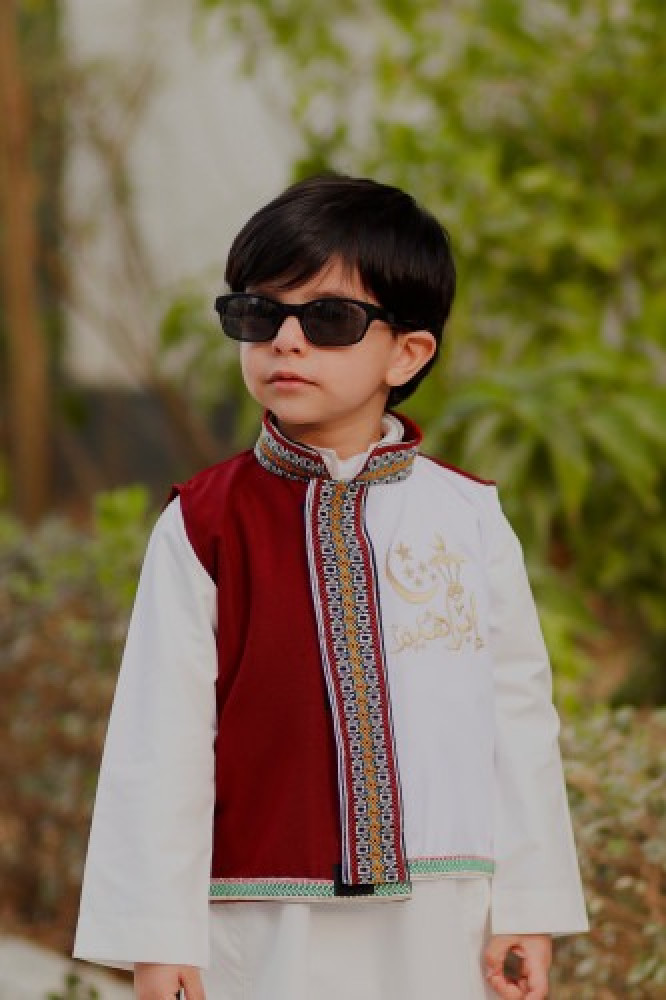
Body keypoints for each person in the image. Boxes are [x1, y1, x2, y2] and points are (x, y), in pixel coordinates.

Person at [73, 175, 588, 1000]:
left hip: (448, 912)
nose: (286, 341)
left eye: (328, 319)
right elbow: (159, 741)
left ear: (407, 352)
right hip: (262, 918)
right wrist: (156, 940)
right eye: (258, 314)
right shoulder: (203, 523)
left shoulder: (469, 517)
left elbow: (519, 720)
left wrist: (530, 905)